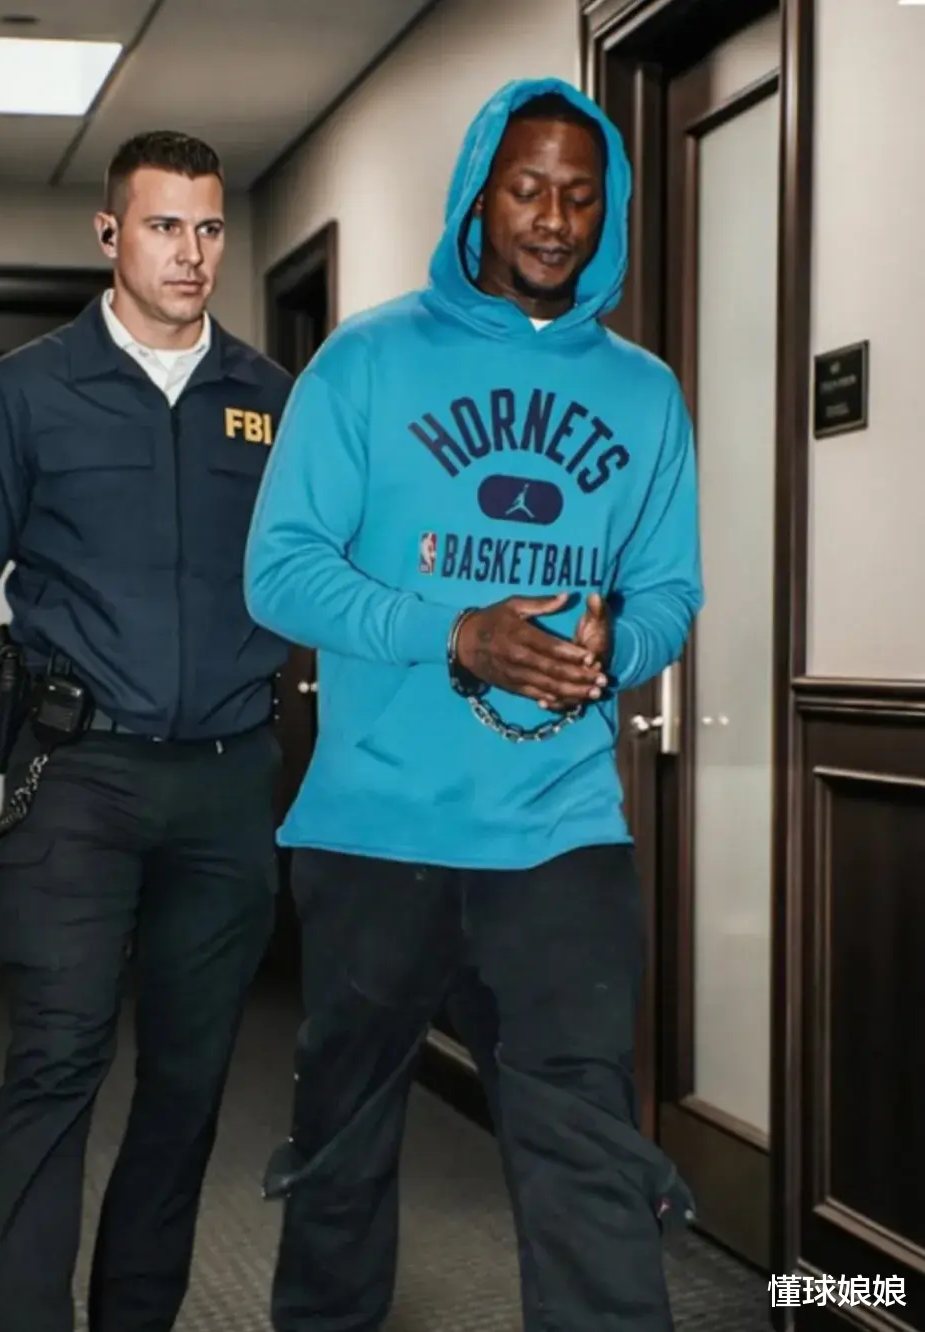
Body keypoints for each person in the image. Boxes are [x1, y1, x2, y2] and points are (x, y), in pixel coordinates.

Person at [244, 76, 704, 1331]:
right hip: (373, 828)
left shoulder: (646, 394)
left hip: (560, 831)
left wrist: (613, 647)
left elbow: (669, 591)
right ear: (478, 197)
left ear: (607, 210)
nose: (553, 219)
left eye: (579, 195)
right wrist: (452, 631)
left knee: (588, 1158)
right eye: (527, 190)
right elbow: (279, 570)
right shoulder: (365, 361)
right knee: (341, 1152)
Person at [0, 130, 292, 1332]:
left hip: (227, 787)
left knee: (188, 1086)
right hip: (78, 780)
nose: (191, 252)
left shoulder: (270, 399)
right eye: (164, 226)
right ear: (110, 234)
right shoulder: (25, 394)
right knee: (56, 1064)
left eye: (209, 227)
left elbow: (324, 571)